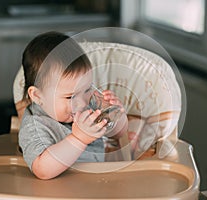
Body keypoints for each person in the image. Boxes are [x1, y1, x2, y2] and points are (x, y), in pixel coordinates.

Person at [18, 31, 128, 180]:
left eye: (88, 89)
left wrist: (116, 114)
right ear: (38, 96)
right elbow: (42, 170)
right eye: (70, 97)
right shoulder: (35, 126)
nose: (82, 103)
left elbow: (117, 133)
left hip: (97, 182)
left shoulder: (90, 102)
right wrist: (79, 139)